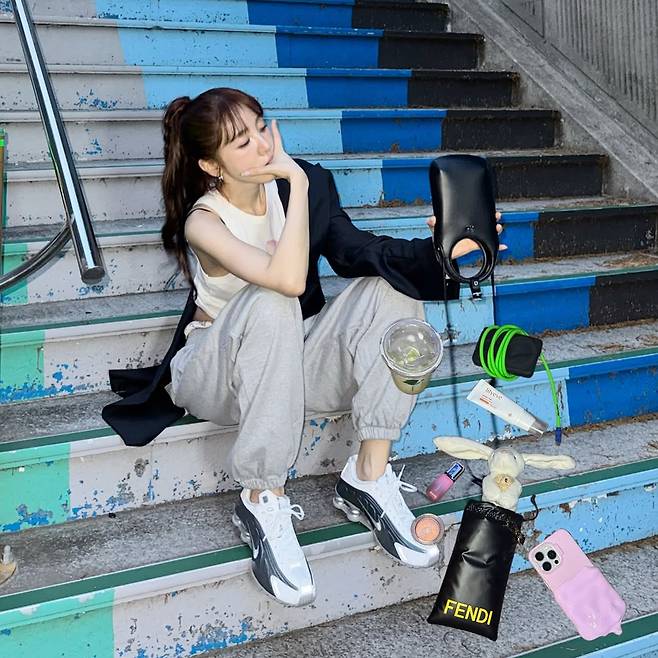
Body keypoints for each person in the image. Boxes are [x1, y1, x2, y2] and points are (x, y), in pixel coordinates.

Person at [102, 87, 503, 607]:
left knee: (392, 289)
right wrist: (294, 180)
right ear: (211, 165)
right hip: (214, 374)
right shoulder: (204, 221)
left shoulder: (305, 184)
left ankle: (368, 475)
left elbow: (360, 252)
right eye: (241, 142)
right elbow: (287, 281)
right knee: (272, 299)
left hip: (290, 364)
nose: (262, 144)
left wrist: (445, 253)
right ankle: (262, 497)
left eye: (260, 127)